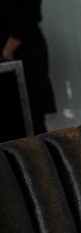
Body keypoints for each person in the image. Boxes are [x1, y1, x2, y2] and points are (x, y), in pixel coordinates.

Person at [0, 0, 56, 136]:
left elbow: (31, 12)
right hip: (7, 58)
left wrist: (8, 49)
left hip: (24, 53)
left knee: (30, 118)